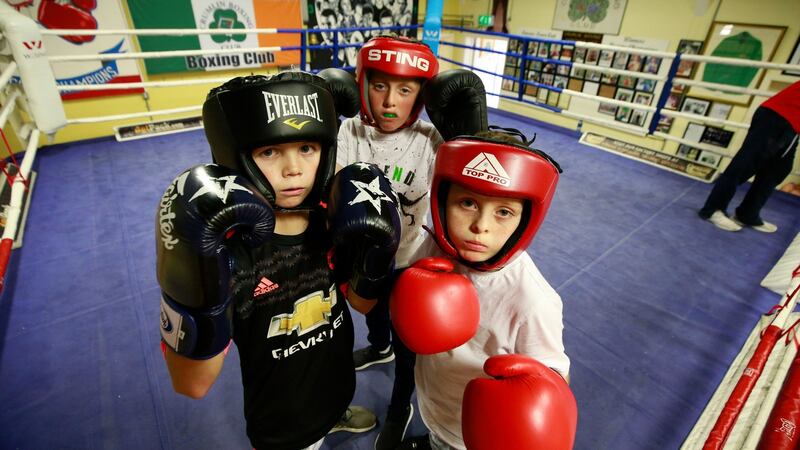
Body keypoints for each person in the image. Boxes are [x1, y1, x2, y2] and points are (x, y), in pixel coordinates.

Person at [156, 70, 401, 450]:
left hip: (335, 381)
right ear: (235, 157)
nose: (294, 169)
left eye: (307, 148)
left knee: (333, 400)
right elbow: (192, 385)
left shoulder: (334, 215)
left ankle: (335, 416)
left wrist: (377, 258)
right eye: (269, 152)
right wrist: (190, 282)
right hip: (283, 423)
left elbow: (360, 303)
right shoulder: (229, 251)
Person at [336, 34, 487, 449]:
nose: (389, 102)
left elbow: (473, 192)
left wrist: (474, 138)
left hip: (412, 261)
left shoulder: (432, 140)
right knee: (374, 316)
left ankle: (400, 405)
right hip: (363, 256)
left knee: (409, 345)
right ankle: (377, 346)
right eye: (380, 85)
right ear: (363, 83)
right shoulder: (348, 132)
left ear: (421, 94)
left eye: (405, 89)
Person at [391, 128, 573, 449]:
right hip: (435, 397)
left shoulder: (533, 301)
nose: (481, 226)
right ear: (443, 200)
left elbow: (555, 374)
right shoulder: (436, 250)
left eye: (504, 212)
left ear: (526, 219)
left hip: (473, 429)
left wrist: (539, 395)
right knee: (437, 437)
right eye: (467, 203)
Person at [699, 80, 800, 233]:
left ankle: (747, 214)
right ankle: (713, 209)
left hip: (794, 125)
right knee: (746, 163)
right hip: (778, 115)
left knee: (778, 170)